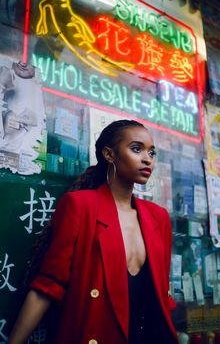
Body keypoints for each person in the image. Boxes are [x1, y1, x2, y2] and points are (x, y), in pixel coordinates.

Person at [8, 119, 178, 344]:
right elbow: (48, 286)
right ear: (109, 155)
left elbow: (161, 294)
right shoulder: (80, 206)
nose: (147, 159)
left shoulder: (159, 218)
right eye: (136, 149)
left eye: (152, 152)